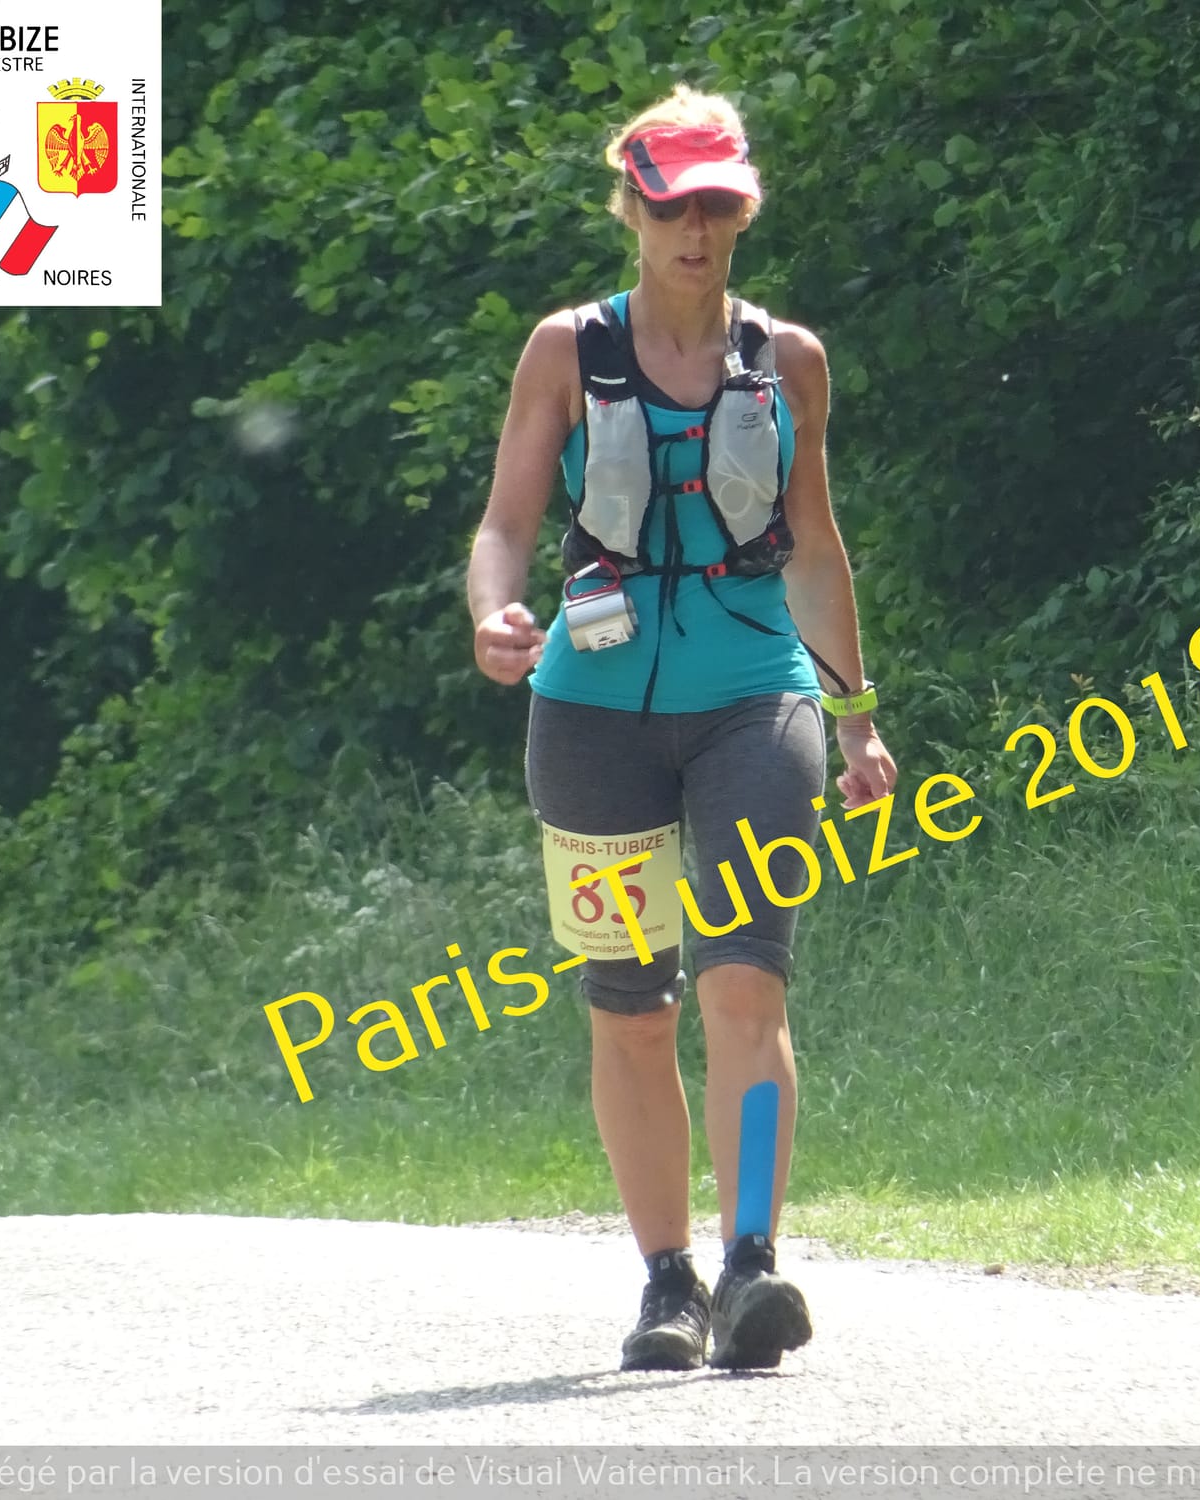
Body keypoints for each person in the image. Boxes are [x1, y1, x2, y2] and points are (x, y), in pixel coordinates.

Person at [465, 85, 896, 1371]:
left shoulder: (789, 360)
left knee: (743, 981)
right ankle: (668, 1284)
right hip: (588, 714)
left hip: (756, 696)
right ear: (632, 212)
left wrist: (856, 719)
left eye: (716, 207)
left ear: (741, 214)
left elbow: (813, 548)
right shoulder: (564, 351)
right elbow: (504, 525)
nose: (695, 232)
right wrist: (493, 614)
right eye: (672, 209)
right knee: (629, 1006)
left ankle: (752, 1264)